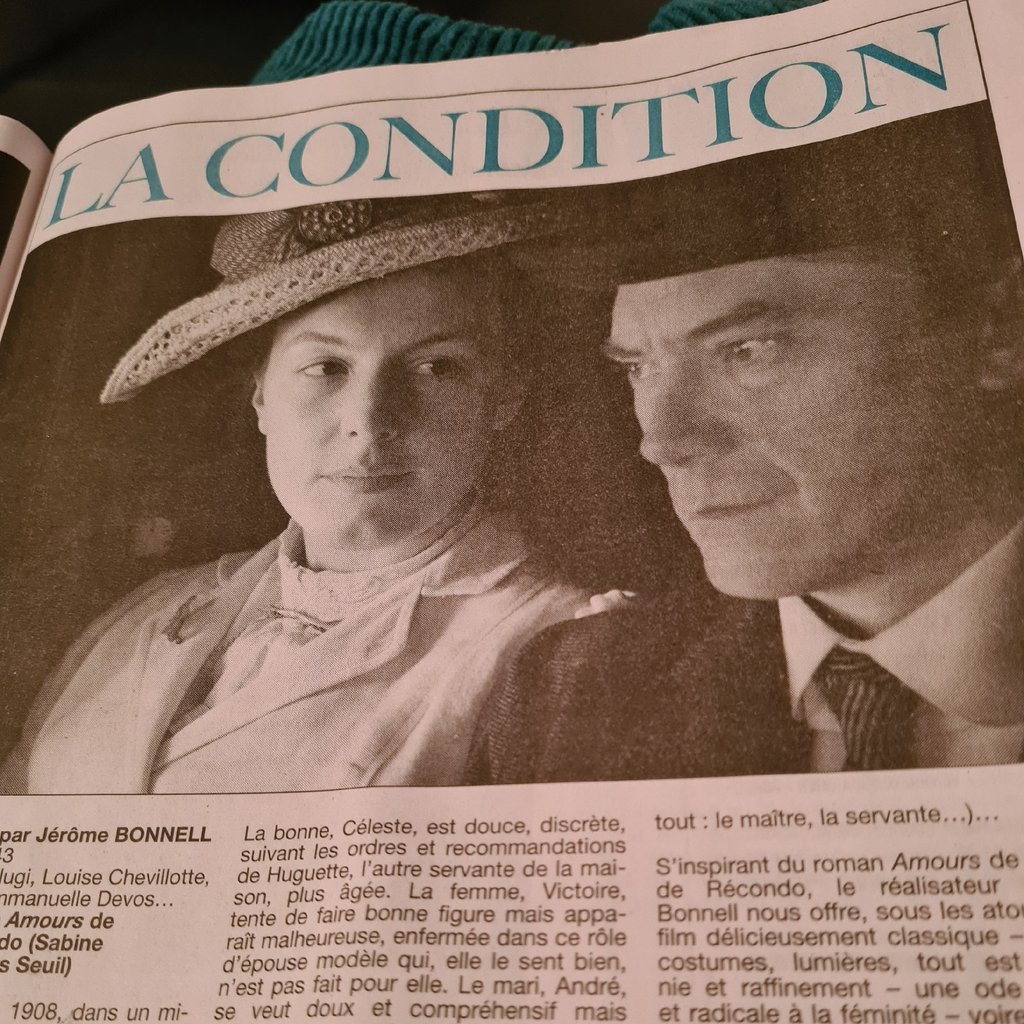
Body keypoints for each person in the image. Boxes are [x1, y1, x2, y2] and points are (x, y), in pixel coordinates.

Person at [472, 102, 1024, 782]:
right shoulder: (564, 691)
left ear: (1000, 333)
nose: (664, 442)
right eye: (638, 367)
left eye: (747, 350)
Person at [1, 191, 591, 794]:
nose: (369, 418)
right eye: (326, 368)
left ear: (504, 399)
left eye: (436, 367)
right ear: (261, 397)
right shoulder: (148, 612)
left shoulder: (557, 640)